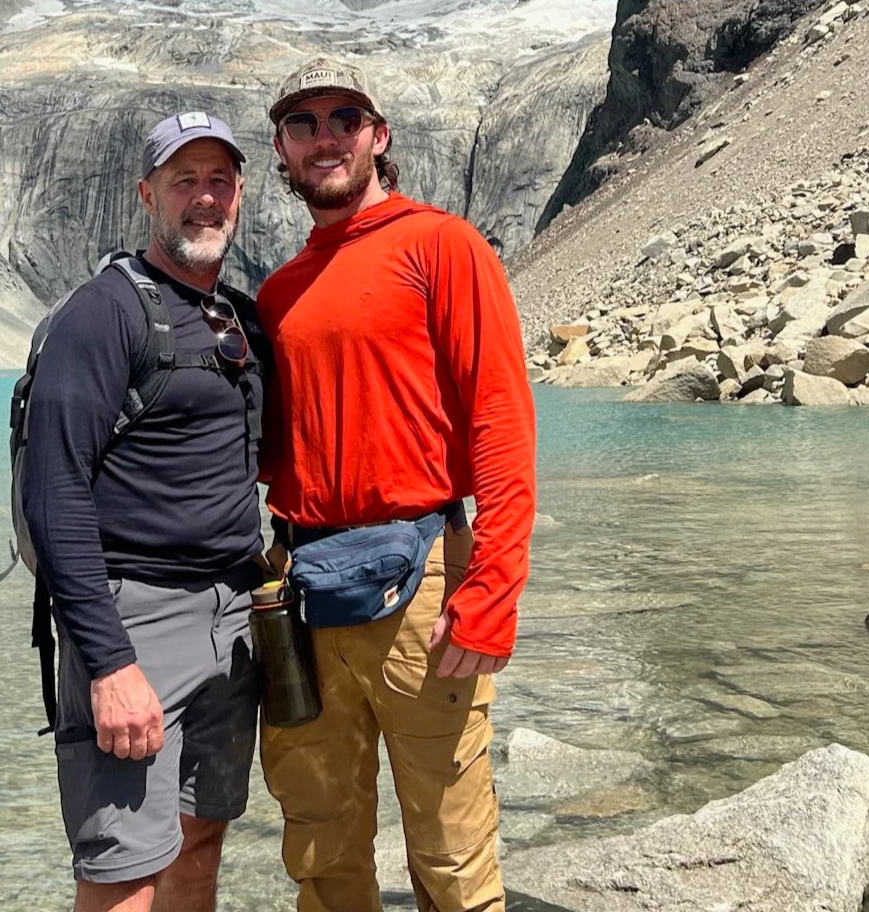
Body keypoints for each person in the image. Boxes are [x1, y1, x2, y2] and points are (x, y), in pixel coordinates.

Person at [255, 58, 537, 912]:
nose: (325, 137)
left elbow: (500, 421)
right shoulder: (278, 291)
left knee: (451, 856)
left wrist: (492, 590)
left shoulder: (441, 245)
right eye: (303, 124)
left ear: (378, 137)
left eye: (345, 119)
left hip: (421, 585)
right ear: (281, 149)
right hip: (300, 593)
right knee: (320, 847)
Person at [21, 111, 266, 912]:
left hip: (232, 616)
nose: (204, 197)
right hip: (136, 621)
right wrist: (109, 664)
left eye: (219, 180)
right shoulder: (102, 313)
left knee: (199, 841)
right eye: (183, 180)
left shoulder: (237, 317)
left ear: (240, 195)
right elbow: (53, 491)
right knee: (122, 871)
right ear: (146, 195)